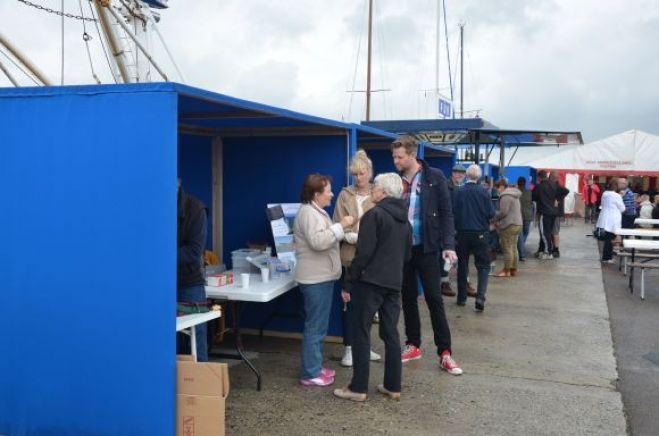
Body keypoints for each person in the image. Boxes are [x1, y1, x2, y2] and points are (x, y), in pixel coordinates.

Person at [333, 173, 412, 402]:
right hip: (394, 284)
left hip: (369, 284)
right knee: (391, 334)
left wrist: (349, 281)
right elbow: (407, 255)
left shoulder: (374, 215)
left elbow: (363, 254)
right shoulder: (404, 221)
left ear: (384, 192)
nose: (372, 190)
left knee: (360, 332)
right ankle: (393, 386)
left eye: (375, 186)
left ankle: (358, 388)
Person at [391, 135, 462, 375]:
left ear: (412, 155)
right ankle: (413, 344)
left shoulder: (434, 177)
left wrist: (448, 244)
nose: (395, 161)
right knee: (408, 297)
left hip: (428, 248)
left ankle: (445, 352)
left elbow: (446, 213)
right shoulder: (394, 181)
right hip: (402, 250)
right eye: (394, 156)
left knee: (434, 298)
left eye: (399, 157)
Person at [294, 174, 355, 386]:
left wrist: (340, 230)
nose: (331, 194)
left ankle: (315, 366)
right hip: (315, 280)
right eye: (328, 190)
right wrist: (340, 226)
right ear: (316, 194)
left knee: (318, 326)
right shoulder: (309, 213)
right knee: (315, 327)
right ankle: (310, 374)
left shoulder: (315, 211)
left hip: (321, 278)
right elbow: (318, 242)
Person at [333, 150, 381, 367]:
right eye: (355, 174)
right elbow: (337, 224)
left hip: (372, 260)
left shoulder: (378, 194)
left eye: (362, 174)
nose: (359, 178)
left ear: (370, 173)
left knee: (368, 305)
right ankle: (349, 348)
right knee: (349, 304)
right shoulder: (345, 195)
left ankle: (364, 346)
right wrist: (350, 236)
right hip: (350, 258)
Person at [452, 165, 495, 312]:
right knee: (483, 266)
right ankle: (480, 297)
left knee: (462, 264)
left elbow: (452, 212)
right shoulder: (484, 192)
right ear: (479, 176)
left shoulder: (458, 192)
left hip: (461, 233)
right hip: (480, 233)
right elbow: (491, 213)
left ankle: (461, 297)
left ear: (466, 175)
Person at [177, 179, 209, 362]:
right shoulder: (153, 206)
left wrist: (160, 259)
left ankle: (199, 383)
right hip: (160, 281)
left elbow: (194, 251)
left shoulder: (196, 209)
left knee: (196, 333)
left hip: (189, 282)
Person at [445, 164, 476, 296]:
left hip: (459, 227)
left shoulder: (460, 188)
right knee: (448, 257)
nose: (460, 175)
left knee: (461, 258)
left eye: (462, 173)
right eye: (457, 172)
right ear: (452, 173)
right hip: (449, 226)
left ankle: (465, 283)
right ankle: (444, 282)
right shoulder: (447, 187)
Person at [493, 179, 522, 277]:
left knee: (507, 248)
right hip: (517, 224)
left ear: (501, 186)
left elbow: (503, 212)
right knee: (514, 247)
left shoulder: (505, 196)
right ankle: (514, 269)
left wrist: (494, 218)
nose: (497, 191)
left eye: (497, 188)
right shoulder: (515, 195)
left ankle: (506, 270)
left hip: (509, 224)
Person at [596, 178, 624, 263]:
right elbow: (622, 208)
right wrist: (621, 197)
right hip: (613, 220)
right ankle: (606, 258)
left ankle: (607, 257)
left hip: (605, 219)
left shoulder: (605, 194)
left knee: (608, 239)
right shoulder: (617, 196)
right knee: (610, 239)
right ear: (616, 186)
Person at [532, 170, 558, 260]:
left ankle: (548, 252)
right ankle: (542, 250)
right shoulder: (553, 185)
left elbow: (533, 197)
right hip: (553, 213)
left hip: (544, 212)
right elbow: (564, 191)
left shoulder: (539, 187)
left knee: (544, 233)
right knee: (548, 232)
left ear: (539, 178)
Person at [549, 172, 569, 258]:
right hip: (554, 212)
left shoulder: (557, 187)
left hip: (555, 213)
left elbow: (566, 191)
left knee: (555, 231)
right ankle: (554, 248)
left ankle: (556, 249)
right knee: (553, 232)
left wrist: (558, 199)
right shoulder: (554, 186)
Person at [516, 177, 533, 262]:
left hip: (518, 216)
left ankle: (520, 249)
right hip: (528, 216)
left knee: (520, 235)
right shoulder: (529, 192)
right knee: (525, 233)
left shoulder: (515, 192)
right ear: (525, 183)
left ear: (517, 183)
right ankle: (521, 253)